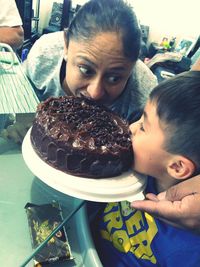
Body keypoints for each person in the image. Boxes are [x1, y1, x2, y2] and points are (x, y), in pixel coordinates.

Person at [94, 71, 200, 267]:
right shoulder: (132, 169)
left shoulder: (188, 253)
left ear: (177, 167)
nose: (132, 127)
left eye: (143, 126)